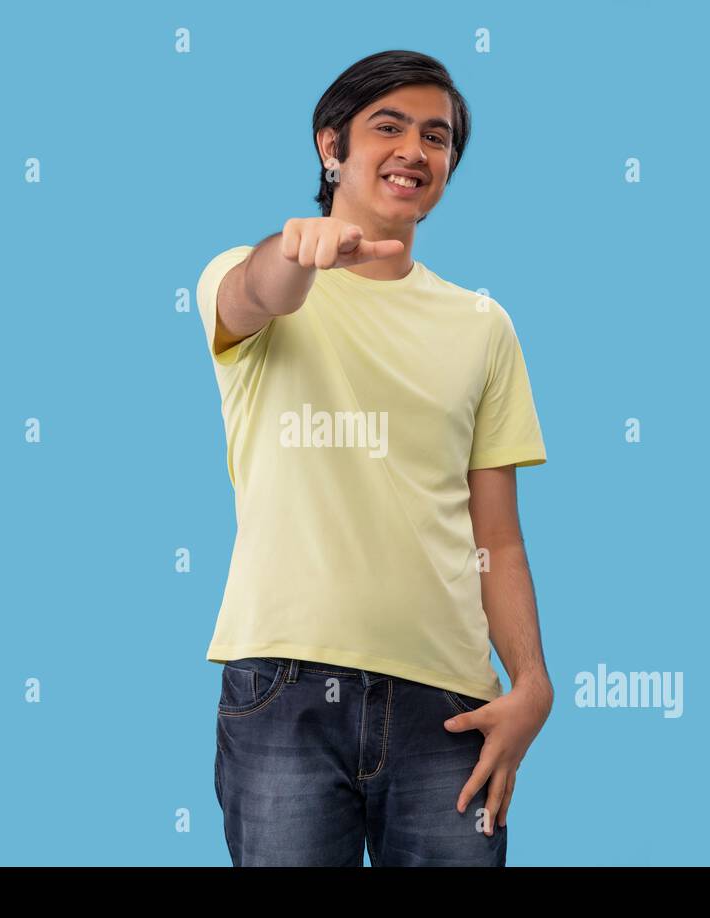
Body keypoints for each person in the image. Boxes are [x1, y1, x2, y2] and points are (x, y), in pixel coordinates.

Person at [195, 50, 554, 866]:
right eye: (387, 127)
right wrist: (299, 249)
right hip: (284, 689)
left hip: (451, 705)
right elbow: (256, 293)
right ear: (332, 147)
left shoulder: (482, 325)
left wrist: (529, 682)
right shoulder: (255, 277)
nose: (415, 150)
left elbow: (495, 531)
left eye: (437, 136)